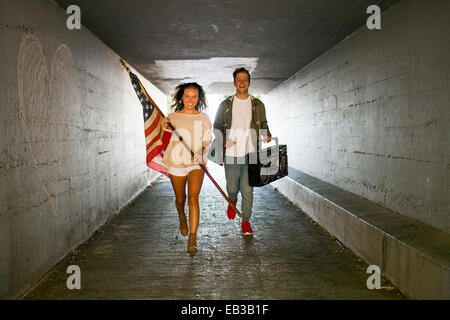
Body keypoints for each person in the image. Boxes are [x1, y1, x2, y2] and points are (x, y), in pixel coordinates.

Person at [213, 67, 271, 236]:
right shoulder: (225, 105)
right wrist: (223, 141)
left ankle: (246, 221)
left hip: (251, 153)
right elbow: (216, 127)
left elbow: (264, 124)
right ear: (234, 83)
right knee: (232, 188)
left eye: (245, 79)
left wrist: (267, 135)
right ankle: (232, 201)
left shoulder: (258, 104)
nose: (242, 82)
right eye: (239, 79)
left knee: (248, 189)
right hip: (231, 154)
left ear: (249, 82)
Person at [162, 82, 212, 255]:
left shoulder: (204, 118)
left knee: (193, 199)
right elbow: (165, 138)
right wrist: (164, 125)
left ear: (199, 98)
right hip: (176, 163)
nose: (190, 100)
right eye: (187, 96)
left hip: (196, 163)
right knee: (181, 200)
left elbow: (207, 141)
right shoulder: (172, 117)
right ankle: (182, 217)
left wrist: (201, 152)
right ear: (181, 97)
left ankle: (192, 238)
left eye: (194, 96)